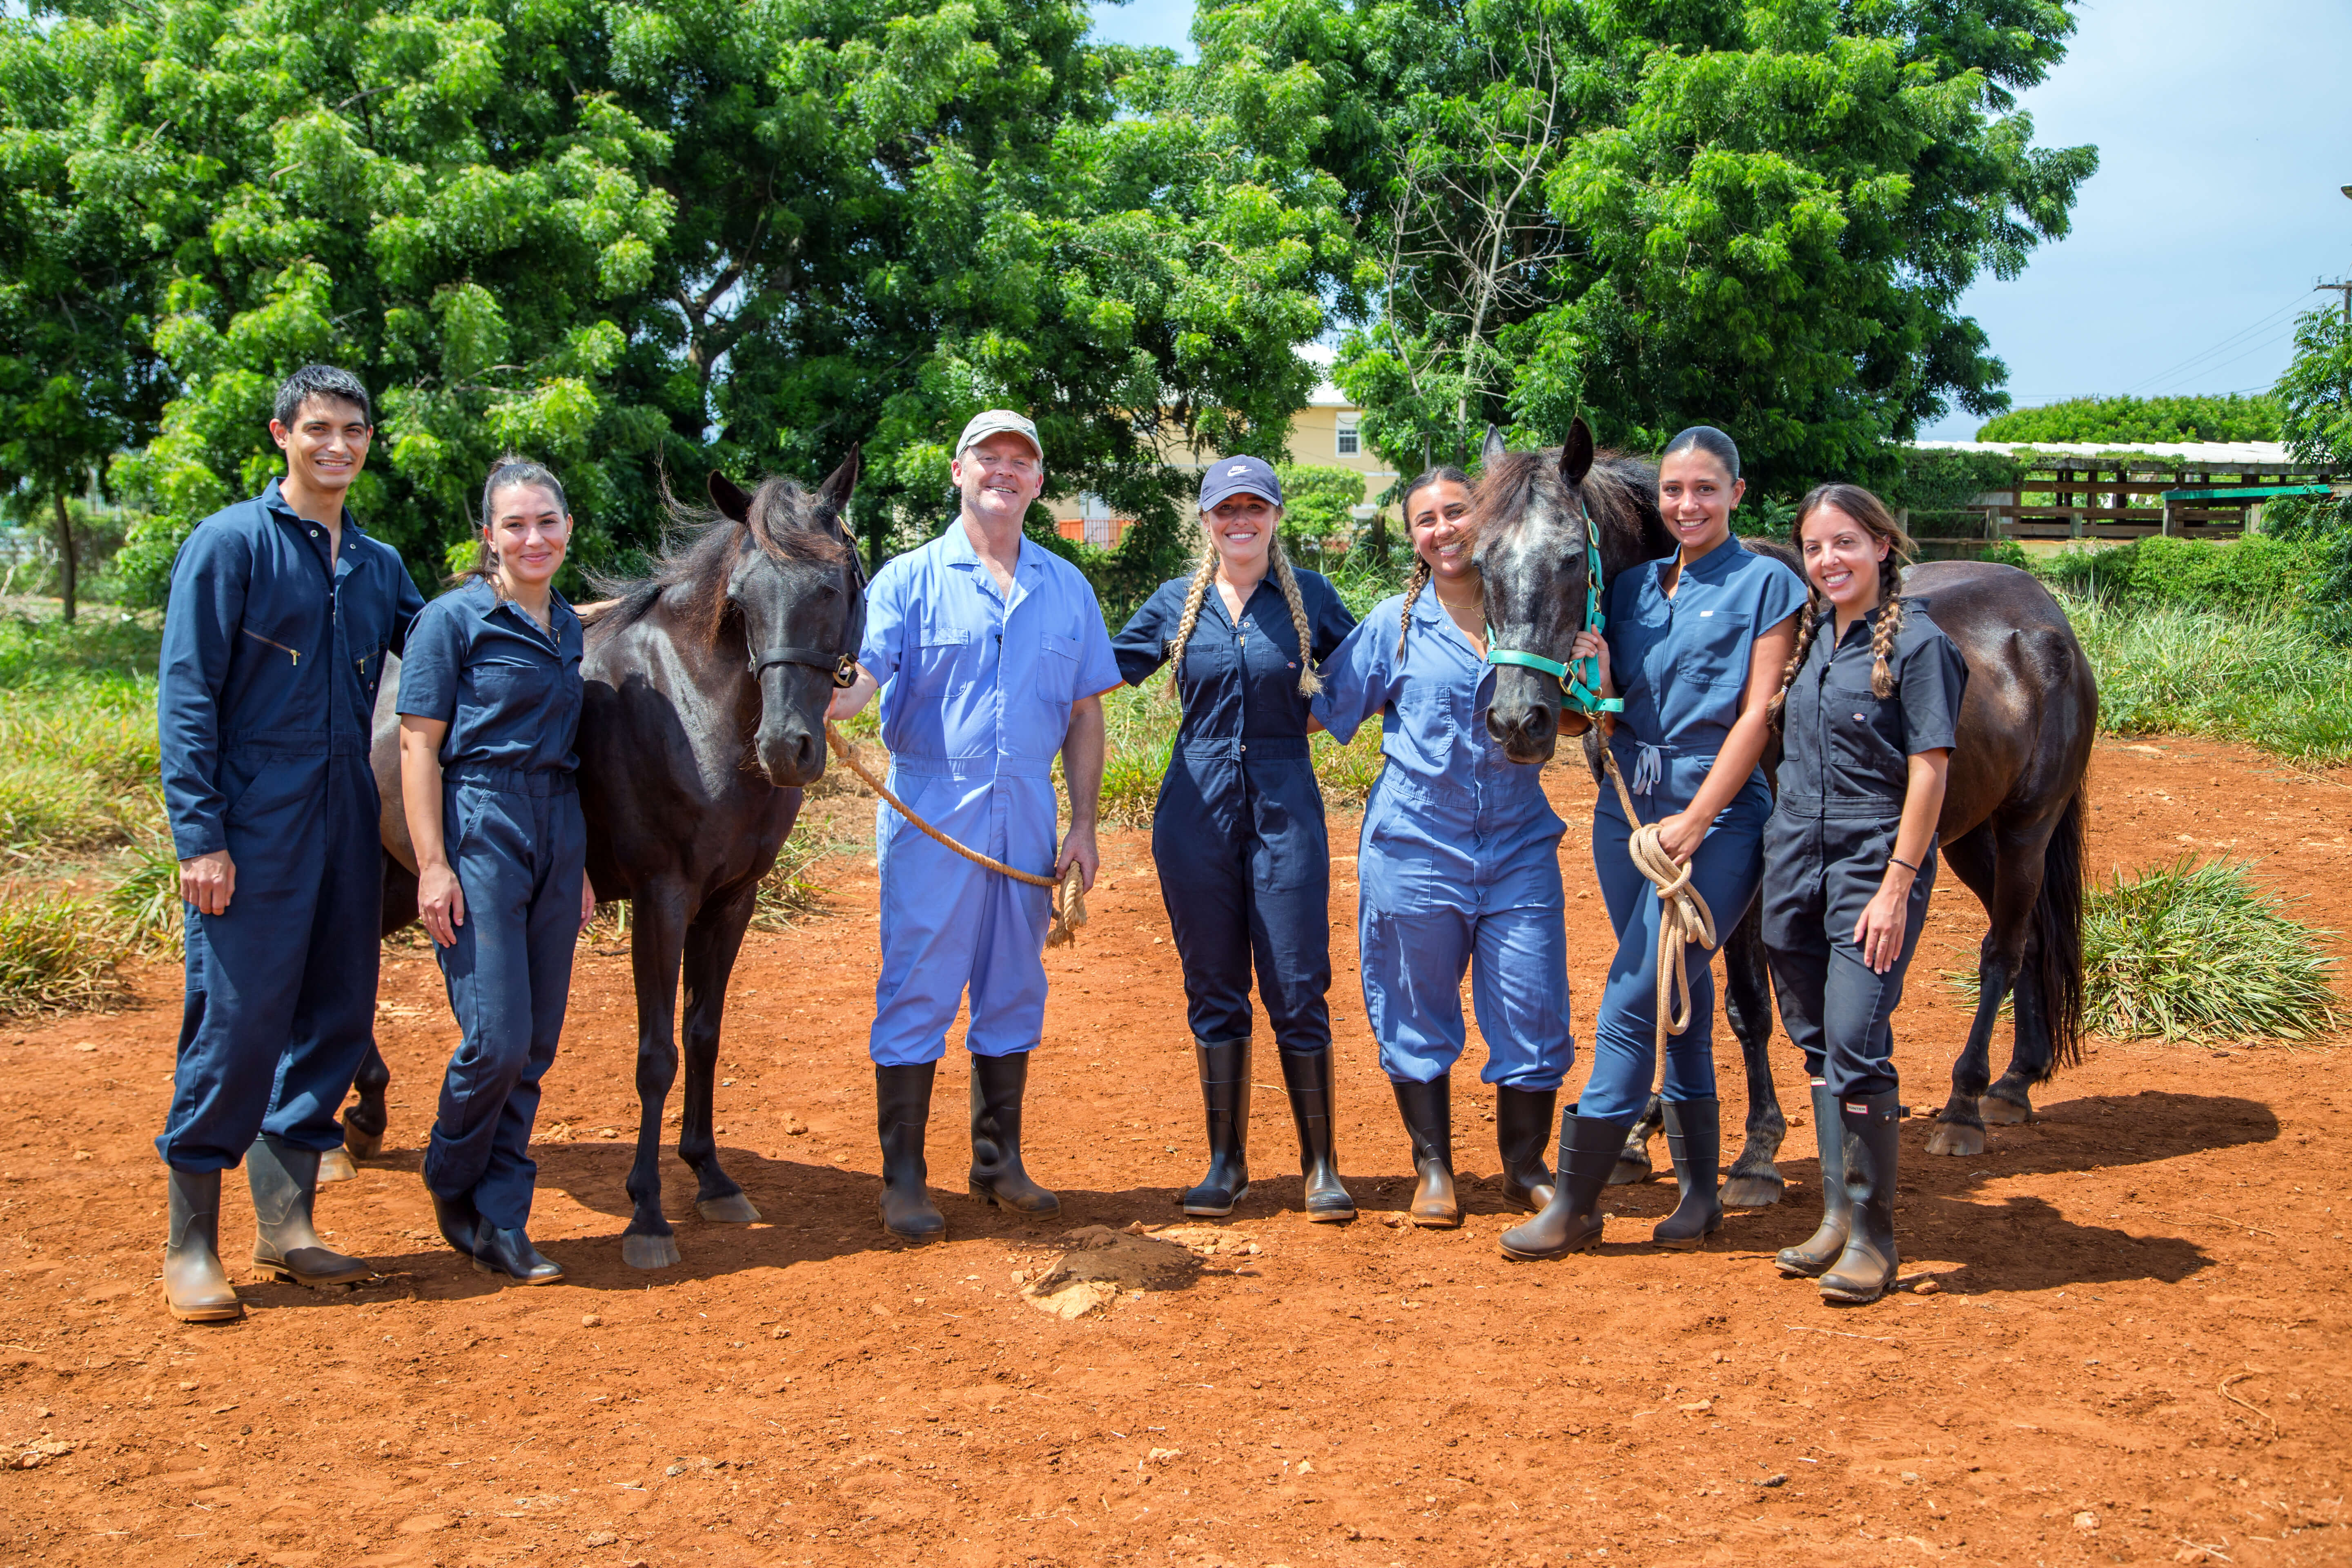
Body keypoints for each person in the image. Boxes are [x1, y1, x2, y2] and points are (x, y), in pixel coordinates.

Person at [155, 365, 426, 1321]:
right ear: (282, 434)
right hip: (252, 813)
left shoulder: (379, 565)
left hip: (347, 810)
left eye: (354, 430)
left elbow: (442, 651)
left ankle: (289, 1225)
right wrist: (202, 836)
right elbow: (187, 696)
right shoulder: (229, 546)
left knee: (339, 1016)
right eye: (318, 429)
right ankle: (192, 1243)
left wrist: (560, 618)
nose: (337, 446)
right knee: (234, 1023)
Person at [1502, 426, 1805, 1261]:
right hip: (1627, 811)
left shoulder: (1769, 585)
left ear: (1736, 495)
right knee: (1686, 999)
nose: (1688, 505)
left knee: (1636, 996)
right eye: (1675, 491)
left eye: (1706, 490)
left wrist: (1700, 819)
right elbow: (1615, 701)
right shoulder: (1632, 587)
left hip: (1716, 818)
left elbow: (1757, 715)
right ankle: (1703, 1195)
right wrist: (1594, 682)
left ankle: (1575, 1203)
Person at [827, 410, 1120, 1243]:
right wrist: (820, 684)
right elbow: (857, 687)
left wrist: (1085, 826)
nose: (1004, 471)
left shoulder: (1068, 587)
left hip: (1028, 813)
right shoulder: (907, 581)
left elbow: (1085, 713)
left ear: (1037, 482)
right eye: (987, 458)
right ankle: (906, 1179)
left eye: (1020, 461)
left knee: (1014, 985)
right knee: (919, 985)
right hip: (935, 810)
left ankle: (998, 1159)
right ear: (957, 472)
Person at [1314, 467, 1575, 1228]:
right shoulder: (1391, 625)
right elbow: (1322, 709)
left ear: (1485, 518)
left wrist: (1590, 665)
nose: (1443, 530)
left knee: (1533, 1004)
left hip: (1521, 844)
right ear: (1413, 539)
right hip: (1414, 846)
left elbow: (1587, 713)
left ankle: (1525, 1167)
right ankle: (1434, 1168)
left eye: (1456, 512)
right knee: (1414, 1005)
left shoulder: (1529, 616)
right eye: (1425, 520)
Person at [1111, 458, 1359, 1221]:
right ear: (1206, 521)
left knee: (1296, 982)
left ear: (1277, 516)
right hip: (1195, 808)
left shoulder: (1312, 596)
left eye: (1255, 506)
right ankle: (1226, 1164)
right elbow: (1097, 671)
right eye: (1226, 509)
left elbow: (1362, 679)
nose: (1240, 520)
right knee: (1214, 985)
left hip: (1287, 801)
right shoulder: (1171, 603)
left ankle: (1321, 1167)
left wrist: (1298, 726)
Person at [1760, 485, 1964, 1304]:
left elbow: (1932, 769)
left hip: (1870, 864)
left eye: (1845, 543)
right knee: (1814, 1039)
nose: (1828, 560)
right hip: (1793, 863)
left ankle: (1876, 1242)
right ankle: (1837, 1220)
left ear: (1884, 546)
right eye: (1814, 548)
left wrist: (1896, 887)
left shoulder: (1919, 646)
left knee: (1855, 1037)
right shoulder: (1809, 642)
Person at [396, 458, 597, 1286]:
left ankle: (503, 1217)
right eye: (515, 525)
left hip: (558, 822)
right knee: (498, 1037)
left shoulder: (569, 628)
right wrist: (434, 865)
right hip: (480, 820)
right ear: (489, 536)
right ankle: (451, 1179)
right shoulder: (452, 622)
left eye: (546, 521)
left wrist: (580, 866)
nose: (533, 537)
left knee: (538, 1042)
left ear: (567, 528)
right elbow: (419, 745)